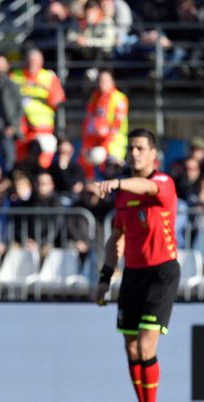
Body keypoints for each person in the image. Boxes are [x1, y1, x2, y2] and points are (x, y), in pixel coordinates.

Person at [94, 128, 180, 402]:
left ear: (153, 154)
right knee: (130, 347)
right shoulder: (122, 196)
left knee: (145, 346)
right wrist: (105, 277)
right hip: (133, 274)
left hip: (161, 272)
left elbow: (147, 187)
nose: (134, 153)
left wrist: (119, 182)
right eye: (131, 148)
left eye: (141, 148)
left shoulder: (163, 181)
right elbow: (115, 239)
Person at [10, 47, 65, 169]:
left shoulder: (49, 77)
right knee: (21, 164)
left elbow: (58, 102)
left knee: (42, 165)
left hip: (43, 129)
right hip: (21, 130)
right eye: (30, 60)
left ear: (41, 62)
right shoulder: (15, 76)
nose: (32, 64)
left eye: (36, 61)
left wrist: (41, 87)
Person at [80, 69, 129, 179]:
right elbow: (89, 121)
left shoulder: (119, 98)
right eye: (100, 80)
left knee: (113, 174)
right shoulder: (95, 97)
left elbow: (117, 123)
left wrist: (105, 143)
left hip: (114, 144)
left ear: (112, 82)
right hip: (98, 143)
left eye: (105, 80)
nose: (102, 83)